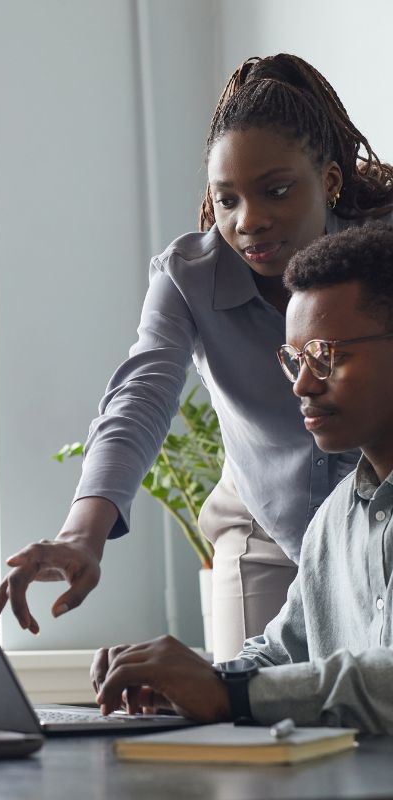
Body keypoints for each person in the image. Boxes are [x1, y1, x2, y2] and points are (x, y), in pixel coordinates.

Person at [0, 54, 393, 661]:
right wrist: (83, 535)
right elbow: (141, 397)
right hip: (265, 523)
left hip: (377, 512)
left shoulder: (381, 256)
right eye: (225, 200)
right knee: (243, 711)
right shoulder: (189, 278)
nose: (249, 221)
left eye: (276, 191)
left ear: (330, 181)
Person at [90, 222, 393, 734]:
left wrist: (231, 694)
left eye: (326, 356)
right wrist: (185, 679)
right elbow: (282, 654)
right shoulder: (335, 520)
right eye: (294, 359)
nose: (302, 384)